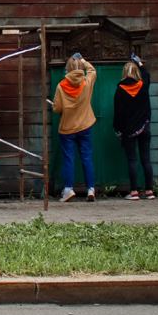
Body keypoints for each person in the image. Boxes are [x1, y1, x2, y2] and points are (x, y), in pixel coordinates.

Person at [53, 52, 97, 202]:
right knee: (86, 157)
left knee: (68, 159)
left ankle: (68, 189)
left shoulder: (60, 86)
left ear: (68, 68)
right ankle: (91, 189)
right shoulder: (86, 82)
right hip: (85, 126)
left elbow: (57, 109)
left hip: (67, 128)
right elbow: (92, 70)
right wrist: (83, 60)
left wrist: (56, 106)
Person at [112, 53, 154, 200]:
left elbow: (118, 114)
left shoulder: (120, 90)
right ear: (136, 72)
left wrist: (117, 130)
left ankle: (134, 192)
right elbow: (146, 75)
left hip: (129, 131)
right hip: (145, 127)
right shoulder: (143, 85)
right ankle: (149, 191)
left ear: (124, 73)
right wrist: (140, 64)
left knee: (132, 160)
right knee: (146, 159)